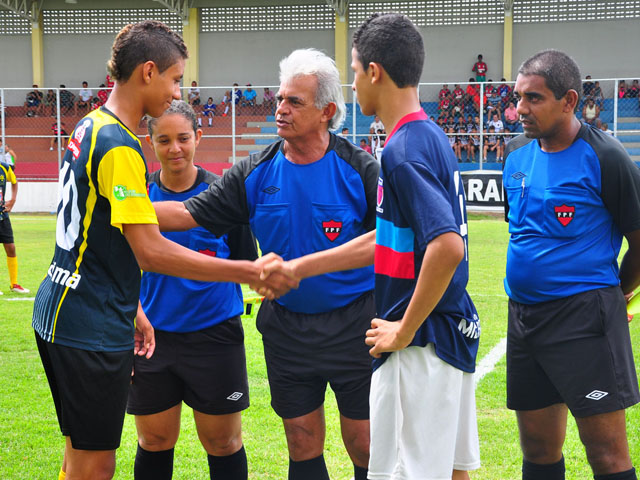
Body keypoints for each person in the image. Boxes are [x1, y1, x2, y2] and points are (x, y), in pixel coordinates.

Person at [32, 20, 294, 480]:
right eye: (175, 79)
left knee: (77, 457)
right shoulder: (120, 146)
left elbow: (139, 216)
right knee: (94, 466)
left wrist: (217, 209)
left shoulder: (91, 127)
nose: (177, 93)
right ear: (148, 72)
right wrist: (247, 271)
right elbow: (151, 251)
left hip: (60, 306)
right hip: (89, 324)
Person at [262, 12, 481, 480]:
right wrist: (305, 266)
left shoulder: (402, 151)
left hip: (423, 343)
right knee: (446, 469)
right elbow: (387, 238)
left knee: (411, 470)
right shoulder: (427, 135)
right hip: (445, 338)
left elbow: (446, 246)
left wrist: (402, 329)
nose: (353, 85)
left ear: (375, 72)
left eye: (356, 71)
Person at [153, 48, 378, 480]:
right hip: (287, 330)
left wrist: (305, 269)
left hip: (356, 327)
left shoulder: (360, 168)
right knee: (301, 440)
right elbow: (184, 214)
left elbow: (387, 237)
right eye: (279, 99)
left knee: (365, 442)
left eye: (295, 101)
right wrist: (116, 201)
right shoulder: (255, 172)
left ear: (327, 111)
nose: (281, 109)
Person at [503, 49, 640, 480]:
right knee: (539, 449)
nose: (520, 109)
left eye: (534, 98)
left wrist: (618, 293)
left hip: (584, 319)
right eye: (518, 96)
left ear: (569, 100)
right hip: (524, 318)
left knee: (605, 454)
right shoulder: (515, 154)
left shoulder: (606, 157)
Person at [128, 100, 256, 480]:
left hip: (215, 338)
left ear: (198, 137)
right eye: (164, 140)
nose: (175, 149)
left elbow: (243, 262)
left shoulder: (224, 198)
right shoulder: (139, 201)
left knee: (222, 444)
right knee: (154, 441)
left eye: (183, 138)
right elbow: (122, 270)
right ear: (150, 143)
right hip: (152, 340)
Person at [1, 155, 29, 295]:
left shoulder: (4, 168)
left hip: (2, 214)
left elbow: (14, 182)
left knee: (11, 248)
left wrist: (12, 200)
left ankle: (14, 284)